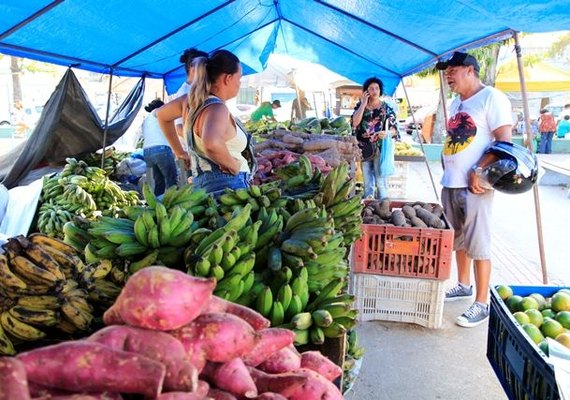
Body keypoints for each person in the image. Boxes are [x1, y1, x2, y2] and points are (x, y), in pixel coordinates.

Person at [435, 52, 513, 328]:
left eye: (452, 70)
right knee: (458, 240)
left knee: (478, 242)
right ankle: (463, 285)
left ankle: (481, 303)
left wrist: (479, 169)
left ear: (470, 70)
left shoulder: (491, 97)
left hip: (477, 185)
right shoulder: (457, 102)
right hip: (452, 182)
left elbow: (505, 141)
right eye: (447, 71)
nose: (448, 75)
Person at [157, 50, 253, 197]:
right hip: (228, 185)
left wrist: (180, 152)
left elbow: (162, 115)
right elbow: (211, 142)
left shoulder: (189, 101)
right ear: (228, 78)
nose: (239, 84)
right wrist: (233, 166)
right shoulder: (217, 108)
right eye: (239, 78)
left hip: (201, 182)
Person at [351, 77, 398, 200]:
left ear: (380, 90)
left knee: (380, 183)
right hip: (363, 149)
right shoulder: (360, 106)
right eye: (371, 88)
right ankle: (369, 211)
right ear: (366, 91)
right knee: (367, 185)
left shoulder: (386, 108)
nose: (374, 91)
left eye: (376, 88)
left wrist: (387, 133)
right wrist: (363, 104)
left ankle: (384, 210)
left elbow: (394, 129)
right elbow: (355, 123)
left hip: (379, 150)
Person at [142, 99, 178, 196]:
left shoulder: (145, 120)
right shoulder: (157, 112)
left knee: (159, 182)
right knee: (172, 181)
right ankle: (175, 206)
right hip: (161, 150)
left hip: (147, 152)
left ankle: (158, 204)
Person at [172, 48, 208, 139]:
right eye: (205, 68)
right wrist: (201, 142)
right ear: (193, 69)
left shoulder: (199, 89)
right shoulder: (184, 92)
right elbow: (179, 128)